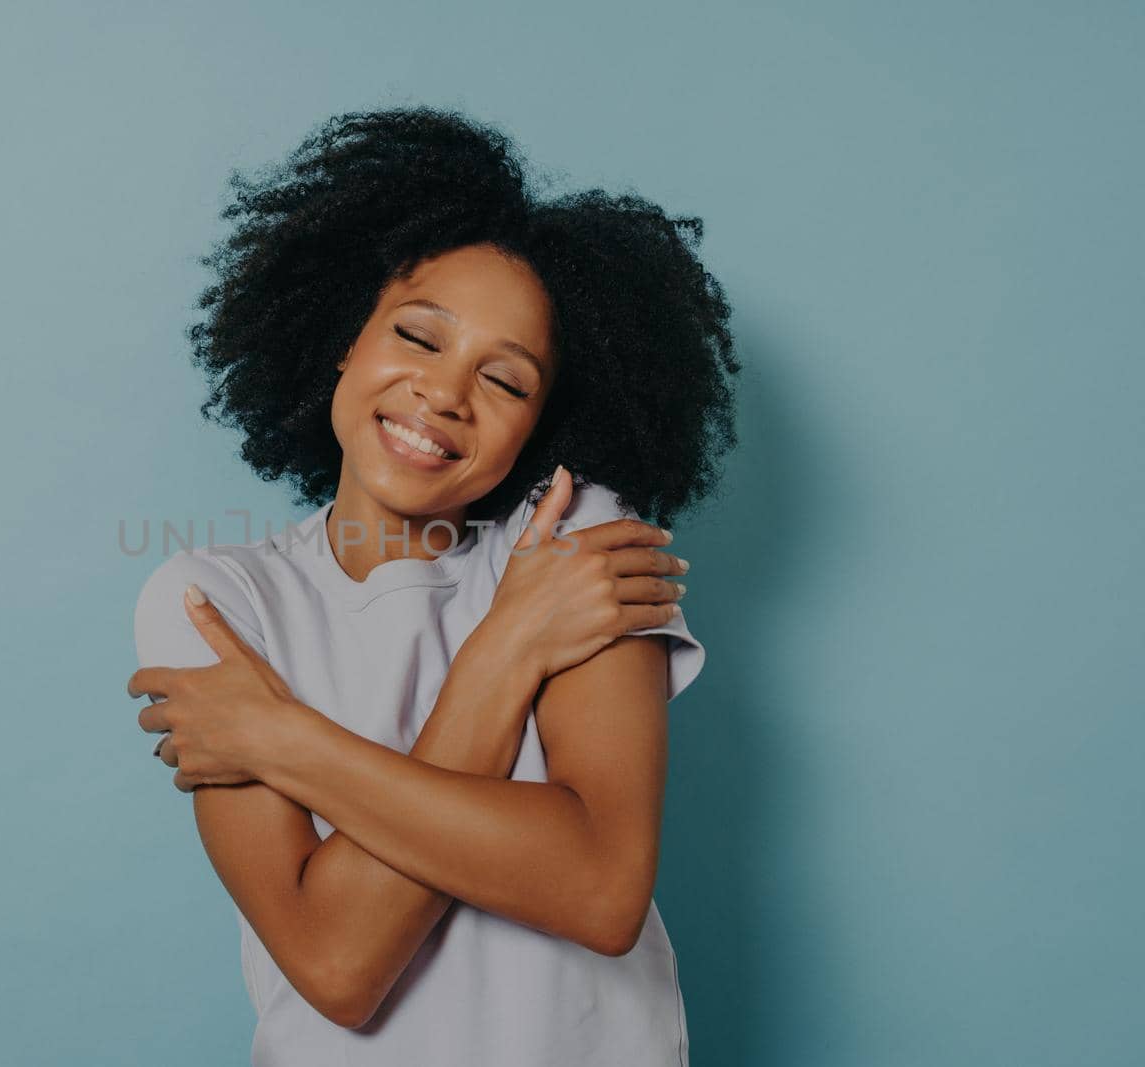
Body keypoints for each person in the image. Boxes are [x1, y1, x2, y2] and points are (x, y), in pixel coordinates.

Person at [128, 106, 738, 1066]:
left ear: (542, 424)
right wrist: (507, 654)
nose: (446, 395)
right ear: (344, 337)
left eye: (506, 381)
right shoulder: (213, 598)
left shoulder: (574, 537)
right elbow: (337, 965)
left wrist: (285, 737)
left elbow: (599, 888)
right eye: (418, 337)